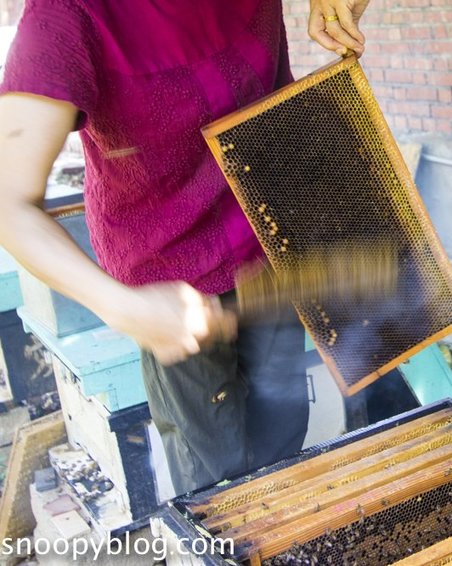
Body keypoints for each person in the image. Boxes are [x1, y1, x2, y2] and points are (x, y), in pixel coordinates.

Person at [0, 0, 371, 495]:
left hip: (270, 242)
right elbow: (8, 201)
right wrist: (121, 306)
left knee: (283, 430)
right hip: (169, 277)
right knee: (214, 475)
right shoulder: (66, 15)